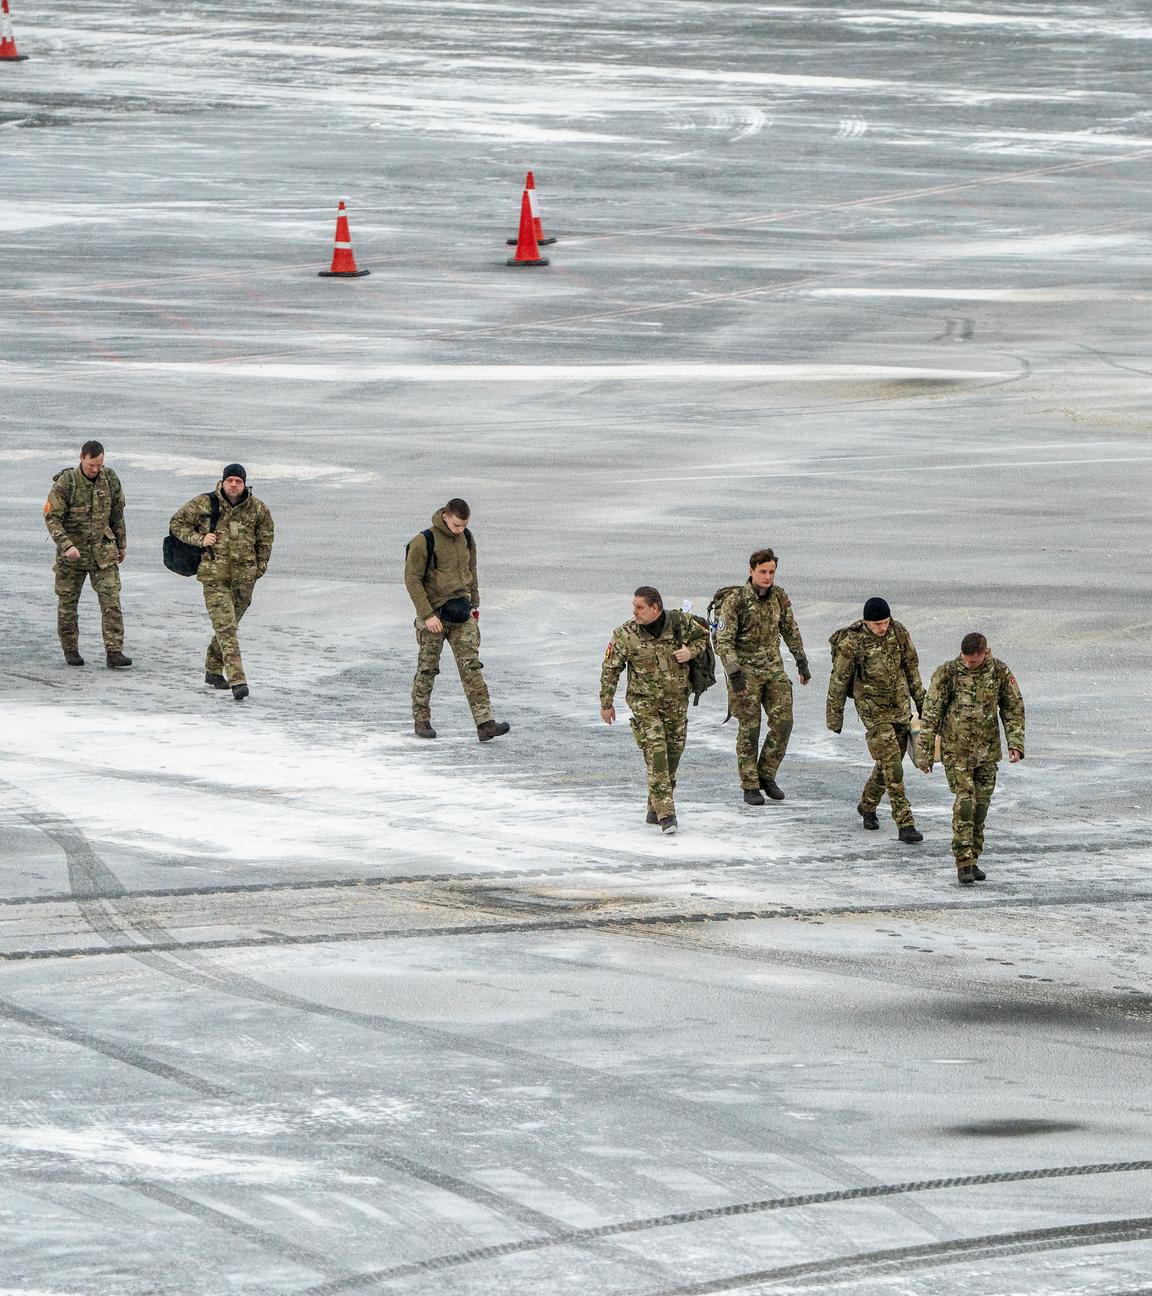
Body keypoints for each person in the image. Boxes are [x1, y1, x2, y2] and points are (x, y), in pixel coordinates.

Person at [917, 632, 1025, 884]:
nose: (968, 665)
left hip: (987, 753)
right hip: (957, 753)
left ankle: (974, 858)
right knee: (965, 803)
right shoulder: (947, 673)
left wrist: (1016, 742)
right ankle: (963, 862)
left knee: (980, 808)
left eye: (973, 661)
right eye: (965, 660)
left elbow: (1013, 707)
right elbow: (931, 714)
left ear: (986, 653)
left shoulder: (999, 671)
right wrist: (925, 753)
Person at [600, 586, 710, 834]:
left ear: (655, 608)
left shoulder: (681, 623)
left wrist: (690, 651)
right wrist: (606, 703)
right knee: (657, 751)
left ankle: (654, 805)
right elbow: (610, 669)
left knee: (672, 754)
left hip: (676, 702)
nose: (634, 612)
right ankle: (666, 814)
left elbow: (704, 637)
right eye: (634, 606)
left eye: (640, 607)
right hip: (644, 703)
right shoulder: (625, 634)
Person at [404, 498, 509, 742]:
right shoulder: (424, 541)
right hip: (435, 616)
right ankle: (421, 720)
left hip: (462, 614)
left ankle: (485, 724)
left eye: (464, 525)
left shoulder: (467, 538)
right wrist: (427, 614)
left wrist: (474, 605)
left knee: (471, 666)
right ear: (445, 517)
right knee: (427, 668)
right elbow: (412, 580)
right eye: (456, 525)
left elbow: (471, 572)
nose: (460, 530)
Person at [169, 464, 274, 701]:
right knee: (226, 628)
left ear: (245, 484)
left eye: (238, 481)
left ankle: (213, 670)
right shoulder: (205, 504)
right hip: (214, 577)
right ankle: (238, 679)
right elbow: (177, 524)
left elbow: (266, 539)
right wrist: (199, 538)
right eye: (230, 481)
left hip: (245, 579)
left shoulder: (258, 509)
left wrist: (260, 567)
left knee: (230, 625)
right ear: (223, 482)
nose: (234, 485)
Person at [714, 548, 810, 804]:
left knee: (783, 722)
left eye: (772, 572)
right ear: (751, 571)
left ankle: (767, 774)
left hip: (773, 669)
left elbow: (790, 629)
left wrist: (801, 661)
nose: (768, 577)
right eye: (763, 572)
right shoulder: (736, 601)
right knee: (750, 728)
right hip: (744, 672)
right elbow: (724, 642)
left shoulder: (779, 596)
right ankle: (750, 784)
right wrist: (735, 675)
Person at [826, 597, 925, 843]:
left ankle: (867, 805)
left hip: (900, 706)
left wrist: (923, 704)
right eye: (877, 624)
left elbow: (911, 668)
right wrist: (834, 716)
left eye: (885, 622)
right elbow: (838, 680)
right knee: (892, 764)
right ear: (867, 622)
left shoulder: (899, 632)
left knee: (888, 763)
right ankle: (905, 822)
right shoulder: (853, 642)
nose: (882, 628)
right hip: (873, 710)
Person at [43, 440, 131, 668]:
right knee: (68, 605)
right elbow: (52, 518)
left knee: (111, 602)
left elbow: (117, 513)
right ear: (82, 458)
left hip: (103, 552)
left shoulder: (110, 479)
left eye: (99, 464)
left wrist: (121, 544)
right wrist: (66, 545)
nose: (96, 469)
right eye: (92, 465)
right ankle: (70, 648)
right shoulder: (66, 483)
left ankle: (114, 651)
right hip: (73, 556)